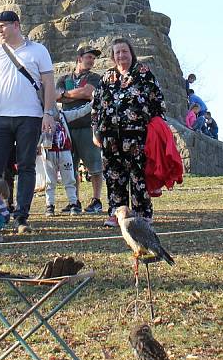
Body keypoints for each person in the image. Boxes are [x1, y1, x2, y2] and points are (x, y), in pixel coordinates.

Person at [0, 10, 57, 234]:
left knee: (26, 166)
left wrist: (48, 113)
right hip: (0, 119)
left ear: (16, 25)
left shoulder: (38, 50)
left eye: (3, 25)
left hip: (30, 117)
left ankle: (21, 216)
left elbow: (48, 83)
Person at [91, 37, 166, 227]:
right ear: (113, 56)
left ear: (131, 53)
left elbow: (158, 102)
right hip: (110, 137)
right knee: (114, 177)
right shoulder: (106, 77)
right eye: (117, 52)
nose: (121, 55)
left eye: (124, 51)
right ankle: (117, 214)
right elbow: (96, 106)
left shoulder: (144, 73)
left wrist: (158, 129)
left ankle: (141, 214)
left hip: (137, 135)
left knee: (138, 176)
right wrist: (95, 131)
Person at [56, 46, 103, 214]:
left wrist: (66, 95)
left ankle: (96, 200)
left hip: (87, 126)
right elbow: (56, 95)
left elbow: (89, 92)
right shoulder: (64, 78)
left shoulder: (95, 77)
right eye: (89, 57)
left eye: (93, 58)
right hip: (68, 128)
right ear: (79, 58)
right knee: (70, 166)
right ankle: (74, 201)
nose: (91, 61)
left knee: (94, 165)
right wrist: (78, 94)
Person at [42, 110, 79, 216]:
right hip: (49, 153)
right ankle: (50, 205)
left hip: (65, 152)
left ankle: (73, 203)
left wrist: (92, 104)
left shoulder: (63, 115)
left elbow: (78, 113)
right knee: (50, 180)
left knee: (69, 179)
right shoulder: (42, 116)